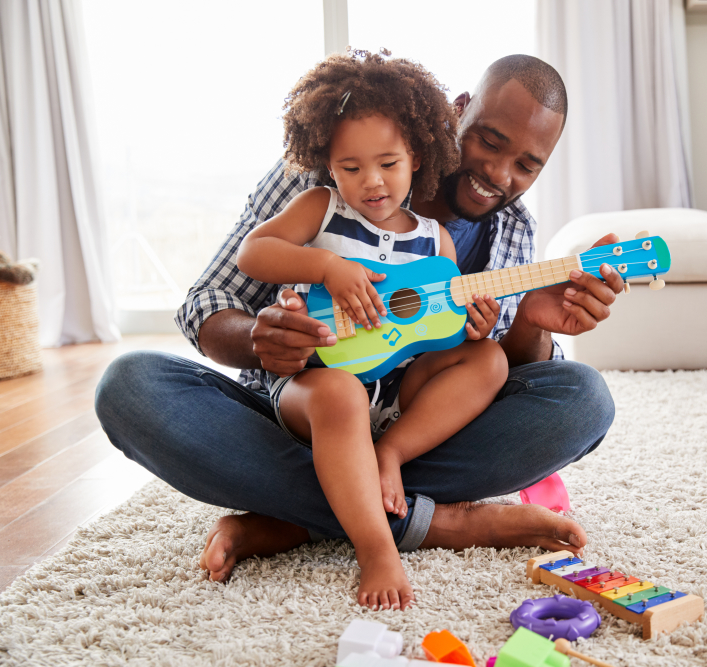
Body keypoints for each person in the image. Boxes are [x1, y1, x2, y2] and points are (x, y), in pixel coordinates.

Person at [94, 54, 625, 611]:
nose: (500, 174)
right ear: (459, 112)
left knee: (583, 399)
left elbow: (500, 374)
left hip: (408, 424)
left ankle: (300, 518)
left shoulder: (507, 229)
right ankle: (433, 522)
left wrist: (533, 323)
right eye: (490, 143)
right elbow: (207, 302)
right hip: (301, 408)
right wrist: (260, 339)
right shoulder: (325, 171)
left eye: (527, 165)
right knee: (130, 386)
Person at [236, 52, 509, 609]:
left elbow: (435, 329)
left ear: (419, 155)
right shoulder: (322, 208)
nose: (372, 181)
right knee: (339, 394)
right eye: (351, 167)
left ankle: (388, 458)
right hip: (318, 388)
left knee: (492, 363)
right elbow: (253, 253)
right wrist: (325, 268)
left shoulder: (436, 240)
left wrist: (474, 328)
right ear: (328, 165)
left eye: (388, 162)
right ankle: (377, 547)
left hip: (395, 397)